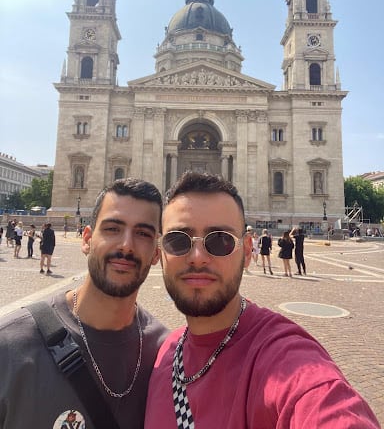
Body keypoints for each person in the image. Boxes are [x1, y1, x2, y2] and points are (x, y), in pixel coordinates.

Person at [144, 171, 380, 428]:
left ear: (247, 251)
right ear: (160, 251)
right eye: (178, 240)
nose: (198, 257)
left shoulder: (283, 358)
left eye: (221, 240)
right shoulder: (164, 354)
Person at [0, 178, 169, 428]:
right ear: (87, 239)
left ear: (156, 253)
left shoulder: (165, 353)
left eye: (143, 233)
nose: (126, 245)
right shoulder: (9, 347)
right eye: (112, 228)